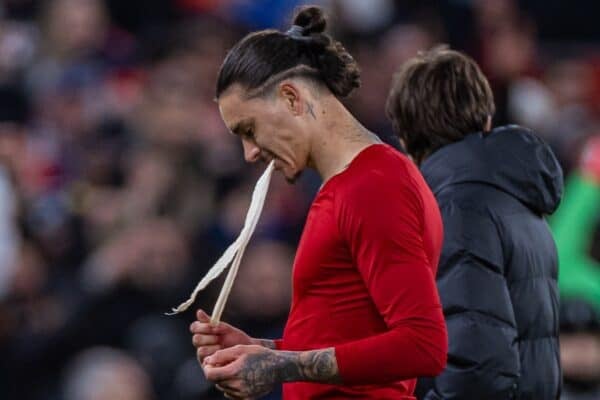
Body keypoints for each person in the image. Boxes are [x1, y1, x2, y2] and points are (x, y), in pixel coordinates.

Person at [190, 6, 448, 400]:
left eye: (249, 129)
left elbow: (424, 344)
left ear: (292, 98)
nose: (249, 154)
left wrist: (283, 365)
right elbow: (353, 332)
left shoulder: (373, 186)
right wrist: (266, 351)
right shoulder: (349, 184)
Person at [386, 46, 563, 400]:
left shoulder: (457, 208)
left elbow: (475, 369)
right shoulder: (517, 198)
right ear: (484, 118)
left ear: (405, 137)